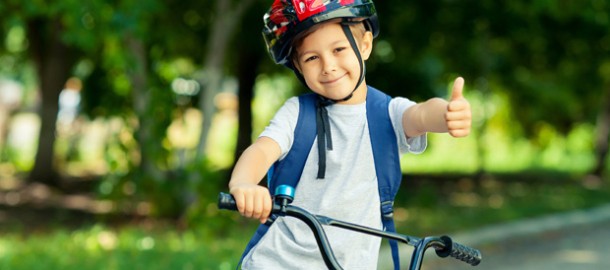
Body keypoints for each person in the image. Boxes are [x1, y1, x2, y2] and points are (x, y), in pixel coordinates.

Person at [228, 0, 472, 269]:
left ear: (364, 45)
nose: (328, 66)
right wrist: (245, 184)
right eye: (312, 58)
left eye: (339, 49)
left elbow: (420, 115)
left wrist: (447, 115)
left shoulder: (387, 113)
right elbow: (261, 150)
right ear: (298, 66)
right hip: (278, 263)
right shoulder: (296, 113)